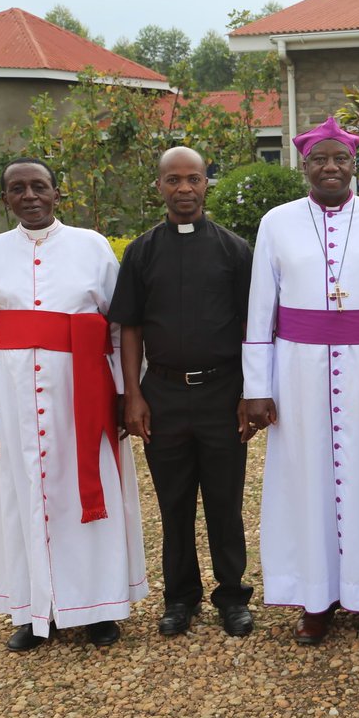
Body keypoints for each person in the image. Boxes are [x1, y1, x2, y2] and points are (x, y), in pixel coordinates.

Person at [0, 157, 147, 652]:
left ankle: (102, 608)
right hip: (14, 394)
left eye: (39, 186)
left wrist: (127, 393)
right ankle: (33, 609)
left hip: (82, 393)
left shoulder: (92, 247)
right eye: (17, 189)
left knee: (91, 492)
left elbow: (119, 326)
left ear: (57, 193)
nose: (30, 196)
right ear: (6, 199)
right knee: (23, 497)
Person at [242, 116, 359, 643]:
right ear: (305, 166)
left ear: (353, 164)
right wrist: (257, 389)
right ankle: (314, 597)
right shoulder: (276, 222)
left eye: (340, 158)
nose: (331, 168)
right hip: (298, 369)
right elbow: (259, 313)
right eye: (320, 159)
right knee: (307, 478)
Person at [109, 146, 255, 638]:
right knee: (173, 504)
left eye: (193, 179)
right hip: (163, 395)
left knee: (224, 501)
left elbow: (251, 327)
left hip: (221, 393)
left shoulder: (234, 249)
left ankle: (232, 596)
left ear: (206, 183)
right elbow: (128, 327)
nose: (185, 189)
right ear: (160, 187)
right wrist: (133, 395)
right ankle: (179, 598)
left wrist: (249, 392)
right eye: (173, 180)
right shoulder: (141, 251)